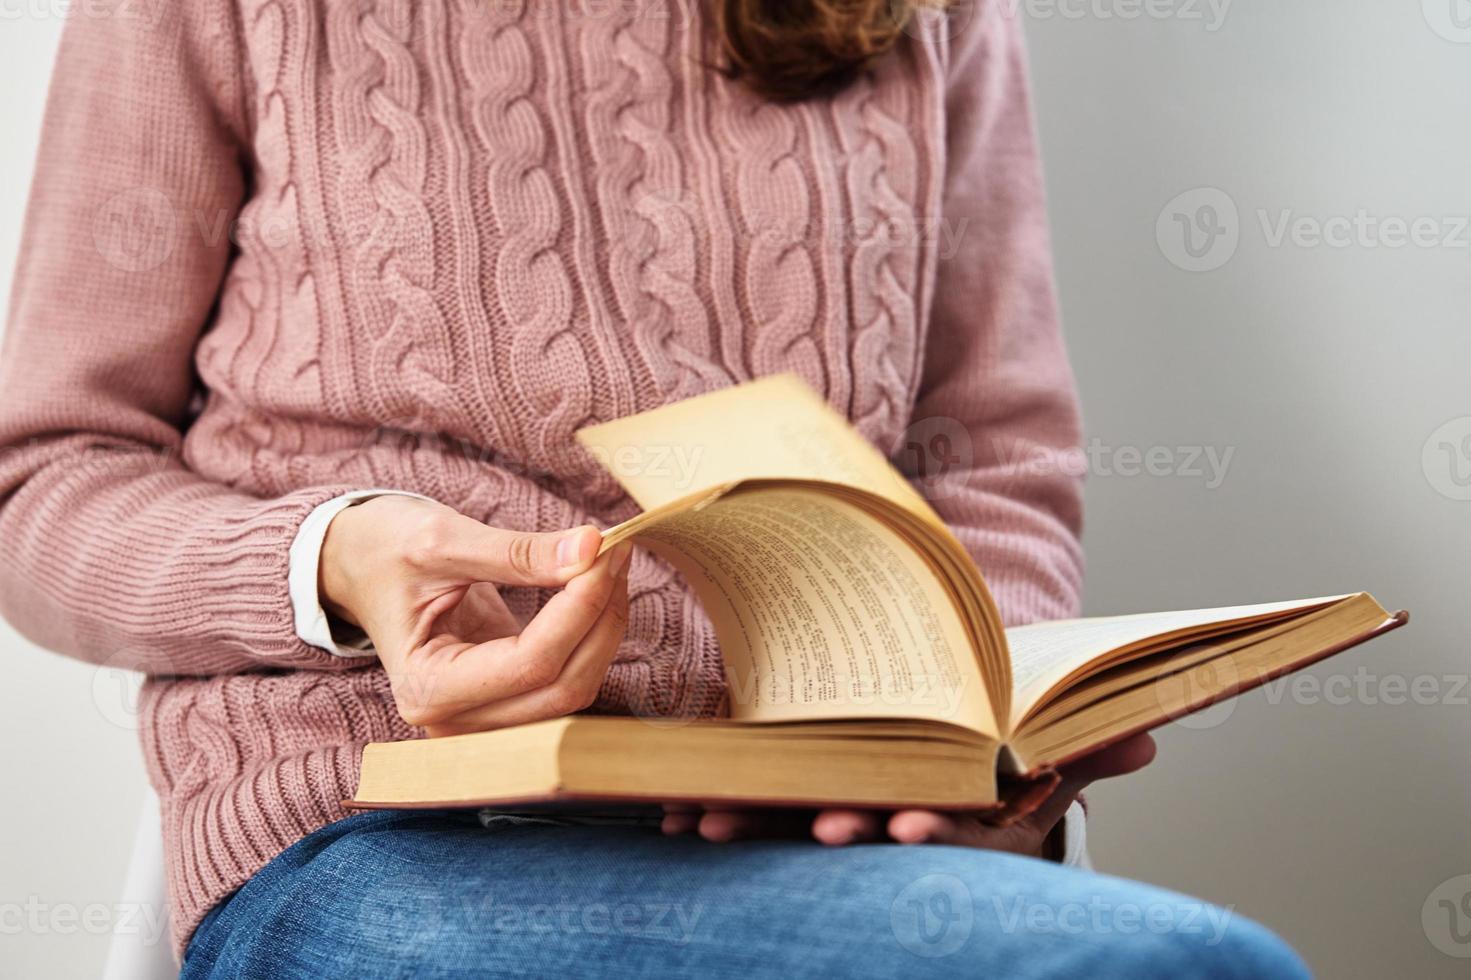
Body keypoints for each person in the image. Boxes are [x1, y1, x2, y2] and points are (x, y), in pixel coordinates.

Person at [0, 1, 1308, 976]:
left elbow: (992, 461)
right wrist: (336, 563)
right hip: (370, 824)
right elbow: (44, 479)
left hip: (824, 834)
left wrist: (967, 741)